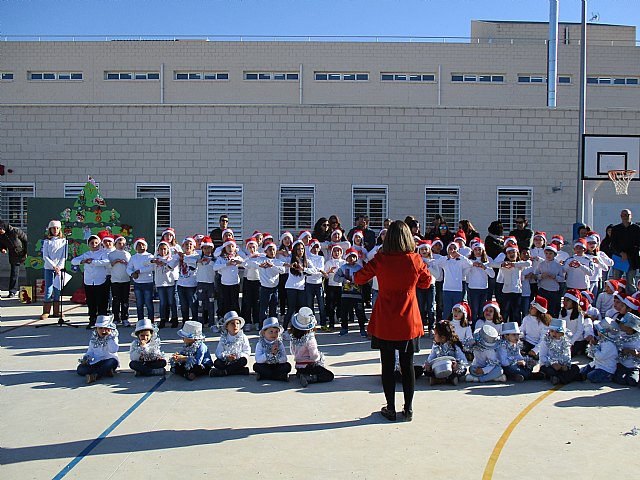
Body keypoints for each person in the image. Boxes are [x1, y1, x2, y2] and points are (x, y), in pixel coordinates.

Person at [354, 220, 432, 422]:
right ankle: (408, 408)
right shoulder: (414, 259)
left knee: (387, 365)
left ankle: (390, 407)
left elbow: (359, 278)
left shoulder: (380, 259)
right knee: (407, 365)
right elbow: (426, 283)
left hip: (385, 318)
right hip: (408, 318)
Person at [71, 234, 110, 329]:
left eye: (96, 243)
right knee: (91, 302)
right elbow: (73, 261)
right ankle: (92, 319)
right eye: (92, 243)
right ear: (88, 244)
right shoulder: (86, 254)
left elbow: (106, 262)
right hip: (89, 281)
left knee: (102, 302)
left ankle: (102, 321)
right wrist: (83, 261)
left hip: (100, 281)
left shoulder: (102, 253)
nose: (94, 245)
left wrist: (93, 262)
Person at [288, 307, 334, 387]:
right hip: (309, 365)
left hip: (299, 365)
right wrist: (320, 357)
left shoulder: (293, 337)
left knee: (305, 369)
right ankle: (310, 378)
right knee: (329, 375)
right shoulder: (310, 338)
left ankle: (301, 374)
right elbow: (314, 356)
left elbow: (292, 351)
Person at [416, 320, 467, 386]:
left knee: (463, 370)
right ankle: (447, 380)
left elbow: (463, 360)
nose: (434, 336)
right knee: (425, 371)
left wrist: (456, 365)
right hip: (438, 368)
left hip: (451, 368)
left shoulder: (455, 345)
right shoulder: (435, 345)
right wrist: (428, 366)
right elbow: (431, 358)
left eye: (435, 334)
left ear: (442, 337)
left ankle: (442, 379)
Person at [77, 315, 119, 384]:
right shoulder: (94, 338)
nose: (103, 331)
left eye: (105, 328)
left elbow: (113, 350)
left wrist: (109, 337)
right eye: (100, 328)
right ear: (96, 329)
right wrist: (86, 359)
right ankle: (106, 372)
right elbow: (90, 352)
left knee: (112, 362)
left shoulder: (113, 336)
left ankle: (95, 376)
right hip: (97, 362)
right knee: (80, 369)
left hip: (109, 360)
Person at [334, 248, 367, 336]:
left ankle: (362, 328)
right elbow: (335, 277)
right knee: (344, 312)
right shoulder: (343, 267)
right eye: (350, 257)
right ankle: (344, 328)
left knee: (360, 312)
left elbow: (365, 279)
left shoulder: (359, 268)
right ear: (346, 258)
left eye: (354, 257)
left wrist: (360, 281)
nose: (352, 259)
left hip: (357, 295)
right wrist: (344, 280)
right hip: (346, 294)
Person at [538, 319, 581, 385]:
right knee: (549, 371)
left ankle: (559, 379)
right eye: (552, 331)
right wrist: (552, 363)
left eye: (557, 332)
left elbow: (568, 356)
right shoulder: (545, 342)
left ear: (562, 333)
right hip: (550, 365)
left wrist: (566, 366)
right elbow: (542, 357)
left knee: (575, 368)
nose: (554, 334)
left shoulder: (566, 343)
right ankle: (569, 378)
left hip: (562, 366)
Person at [210, 311, 251, 377]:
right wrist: (226, 356)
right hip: (227, 360)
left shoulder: (243, 337)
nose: (235, 326)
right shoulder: (223, 337)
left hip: (237, 360)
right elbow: (218, 352)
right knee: (217, 363)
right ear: (226, 326)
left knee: (243, 361)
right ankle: (240, 371)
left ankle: (225, 372)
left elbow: (247, 351)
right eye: (232, 324)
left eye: (237, 323)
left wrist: (237, 356)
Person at [41, 220, 66, 320]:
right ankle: (46, 311)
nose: (55, 230)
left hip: (59, 269)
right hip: (49, 268)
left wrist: (59, 267)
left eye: (57, 228)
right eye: (53, 228)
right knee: (48, 289)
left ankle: (57, 311)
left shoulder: (64, 241)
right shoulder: (47, 241)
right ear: (50, 229)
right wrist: (53, 266)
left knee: (57, 289)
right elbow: (45, 256)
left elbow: (64, 256)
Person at [610, 209, 640, 294]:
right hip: (619, 258)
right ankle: (616, 299)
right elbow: (613, 244)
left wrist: (628, 254)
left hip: (632, 259)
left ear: (631, 216)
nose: (625, 217)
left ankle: (632, 301)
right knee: (616, 281)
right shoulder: (616, 229)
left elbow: (638, 244)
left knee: (630, 282)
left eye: (627, 215)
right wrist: (621, 253)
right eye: (623, 215)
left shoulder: (636, 229)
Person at [253, 317, 291, 382]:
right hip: (265, 365)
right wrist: (270, 353)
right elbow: (258, 360)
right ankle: (278, 376)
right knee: (256, 366)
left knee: (287, 366)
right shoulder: (260, 344)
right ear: (264, 333)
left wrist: (277, 357)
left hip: (277, 365)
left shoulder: (279, 343)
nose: (274, 334)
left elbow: (284, 359)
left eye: (276, 332)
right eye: (271, 331)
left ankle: (265, 376)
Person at [126, 238, 155, 324]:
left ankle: (151, 321)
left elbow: (151, 267)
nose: (141, 246)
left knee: (148, 302)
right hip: (138, 283)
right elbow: (128, 268)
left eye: (143, 245)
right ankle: (140, 321)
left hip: (147, 282)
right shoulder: (133, 257)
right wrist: (132, 274)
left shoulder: (149, 256)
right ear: (136, 247)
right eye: (139, 245)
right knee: (139, 303)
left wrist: (139, 271)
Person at [151, 241, 179, 329]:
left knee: (171, 301)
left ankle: (174, 319)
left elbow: (171, 267)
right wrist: (154, 262)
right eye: (161, 249)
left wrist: (163, 264)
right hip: (160, 283)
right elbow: (148, 264)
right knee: (162, 302)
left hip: (170, 282)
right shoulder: (155, 259)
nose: (162, 251)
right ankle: (162, 319)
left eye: (164, 249)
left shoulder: (171, 259)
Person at [0, 220, 28, 298]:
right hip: (13, 255)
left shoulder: (15, 231)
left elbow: (26, 240)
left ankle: (30, 288)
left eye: (1, 229)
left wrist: (26, 252)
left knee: (29, 270)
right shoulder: (1, 236)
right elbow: (1, 244)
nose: (1, 231)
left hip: (23, 253)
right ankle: (12, 291)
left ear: (4, 227)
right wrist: (3, 248)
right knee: (14, 274)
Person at [108, 236, 131, 327]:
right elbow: (108, 266)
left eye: (123, 244)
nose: (121, 245)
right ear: (115, 244)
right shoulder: (111, 254)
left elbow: (131, 266)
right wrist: (114, 262)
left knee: (125, 300)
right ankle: (116, 318)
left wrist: (126, 263)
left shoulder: (127, 254)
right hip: (115, 280)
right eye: (119, 243)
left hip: (125, 280)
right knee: (116, 300)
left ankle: (125, 318)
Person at [176, 237, 199, 326]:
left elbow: (194, 262)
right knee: (183, 305)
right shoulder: (179, 256)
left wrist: (184, 257)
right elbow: (170, 265)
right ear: (182, 246)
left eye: (190, 244)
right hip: (181, 284)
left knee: (193, 304)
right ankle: (185, 322)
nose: (188, 246)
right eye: (186, 244)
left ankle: (195, 322)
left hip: (192, 284)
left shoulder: (196, 255)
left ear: (194, 246)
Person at [614, 312, 640, 386]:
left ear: (630, 327)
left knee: (632, 381)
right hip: (622, 364)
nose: (620, 325)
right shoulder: (620, 335)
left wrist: (634, 353)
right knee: (619, 379)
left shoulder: (638, 339)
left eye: (623, 323)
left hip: (634, 366)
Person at [195, 236, 216, 328]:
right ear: (202, 249)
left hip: (210, 284)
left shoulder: (215, 259)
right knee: (200, 304)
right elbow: (188, 259)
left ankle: (211, 323)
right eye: (205, 248)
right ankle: (200, 323)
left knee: (211, 304)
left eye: (209, 248)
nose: (207, 250)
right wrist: (198, 261)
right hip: (200, 283)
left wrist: (209, 262)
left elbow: (216, 267)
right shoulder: (198, 258)